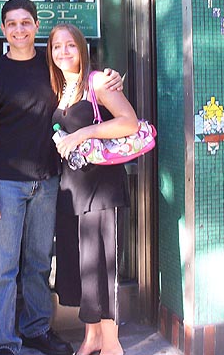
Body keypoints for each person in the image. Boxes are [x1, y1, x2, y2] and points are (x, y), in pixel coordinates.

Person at [0, 0, 123, 355]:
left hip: (50, 183)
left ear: (36, 26)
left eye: (26, 22)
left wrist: (109, 76)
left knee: (39, 265)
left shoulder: (52, 65)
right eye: (12, 24)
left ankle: (37, 329)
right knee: (4, 269)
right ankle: (5, 343)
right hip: (5, 185)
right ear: (3, 28)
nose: (19, 29)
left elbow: (84, 75)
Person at [46, 24, 139, 355]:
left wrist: (81, 134)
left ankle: (112, 344)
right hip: (72, 193)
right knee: (84, 270)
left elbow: (129, 121)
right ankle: (91, 337)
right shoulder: (61, 88)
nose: (64, 52)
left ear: (82, 49)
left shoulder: (97, 81)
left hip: (102, 191)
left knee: (104, 269)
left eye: (71, 45)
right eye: (57, 46)